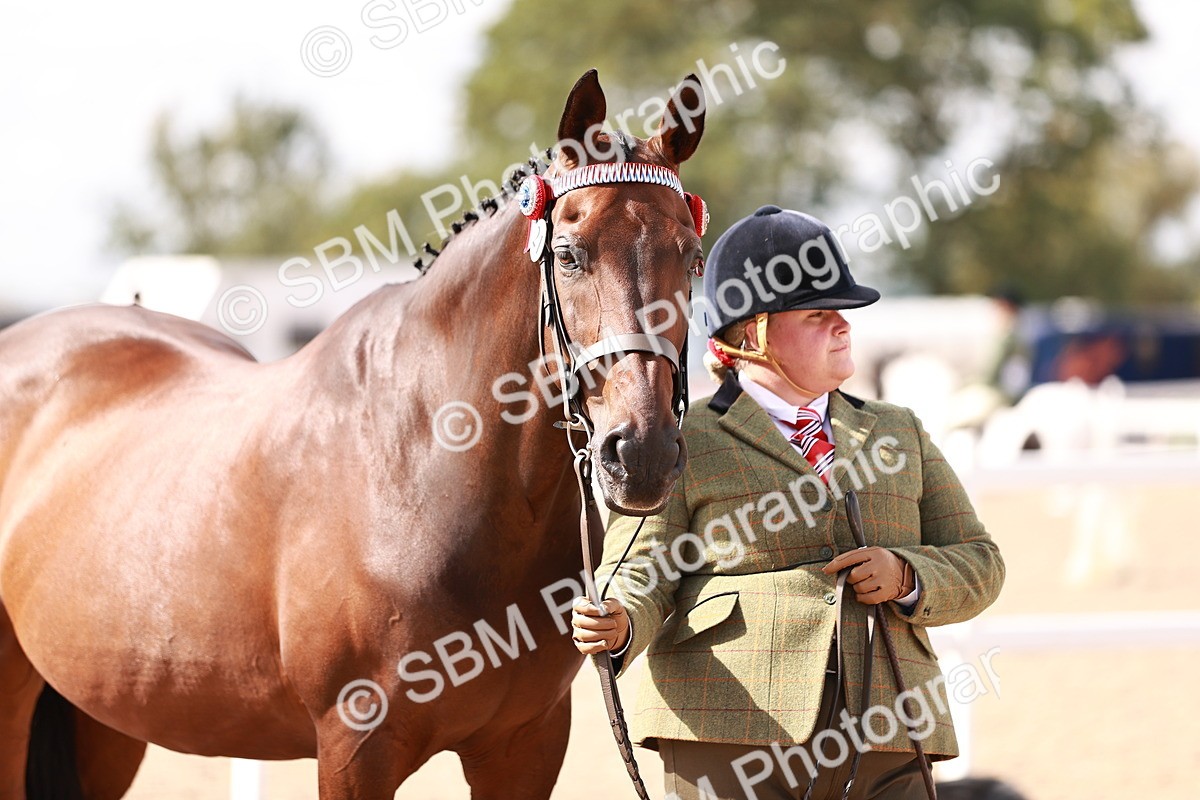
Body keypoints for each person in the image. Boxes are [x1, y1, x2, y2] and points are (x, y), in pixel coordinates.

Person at [572, 205, 1006, 800]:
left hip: (888, 725)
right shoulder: (685, 438)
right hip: (729, 730)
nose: (843, 327)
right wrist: (620, 621)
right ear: (754, 333)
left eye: (844, 314)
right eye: (819, 314)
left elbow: (980, 560)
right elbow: (642, 567)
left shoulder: (898, 431)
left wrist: (908, 576)